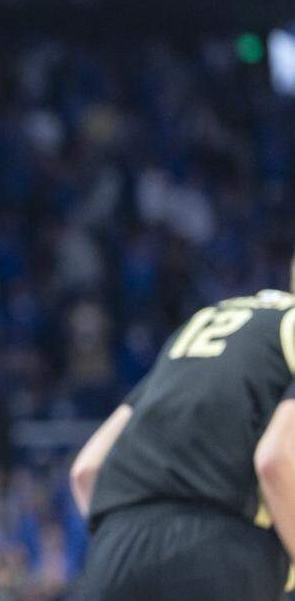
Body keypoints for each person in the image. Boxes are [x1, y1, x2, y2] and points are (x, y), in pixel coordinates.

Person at [70, 253, 295, 600]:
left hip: (113, 551)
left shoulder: (201, 324)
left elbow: (86, 470)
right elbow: (275, 459)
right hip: (221, 550)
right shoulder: (289, 329)